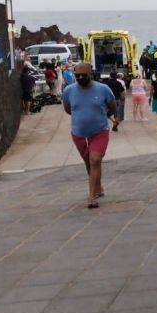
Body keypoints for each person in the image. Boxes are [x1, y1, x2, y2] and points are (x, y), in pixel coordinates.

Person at [62, 63, 117, 209]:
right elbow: (68, 109)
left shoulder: (103, 89)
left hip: (99, 131)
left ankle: (92, 197)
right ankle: (98, 187)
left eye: (84, 75)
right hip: (78, 133)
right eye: (77, 76)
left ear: (91, 74)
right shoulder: (68, 91)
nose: (80, 78)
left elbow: (112, 105)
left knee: (95, 159)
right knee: (89, 162)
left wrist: (106, 116)